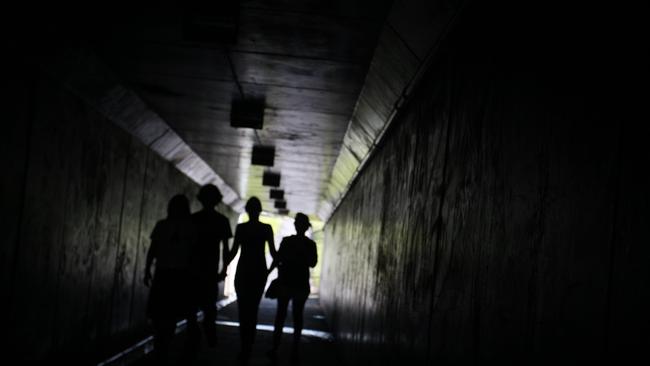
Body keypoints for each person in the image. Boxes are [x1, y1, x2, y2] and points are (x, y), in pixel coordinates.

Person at [144, 194, 196, 365]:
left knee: (159, 312)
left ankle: (160, 345)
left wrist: (147, 269)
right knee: (172, 313)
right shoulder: (190, 227)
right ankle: (164, 345)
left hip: (163, 273)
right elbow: (194, 254)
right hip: (180, 275)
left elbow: (153, 249)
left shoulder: (162, 225)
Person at [227, 197, 276, 362]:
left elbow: (233, 252)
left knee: (243, 310)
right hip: (259, 272)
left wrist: (221, 266)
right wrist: (270, 270)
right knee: (253, 309)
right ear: (260, 210)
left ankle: (244, 346)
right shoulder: (266, 229)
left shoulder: (241, 229)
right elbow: (274, 254)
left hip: (243, 271)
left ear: (247, 210)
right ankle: (249, 345)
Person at [186, 184, 232, 354]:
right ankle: (208, 329)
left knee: (191, 306)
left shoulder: (193, 219)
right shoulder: (222, 221)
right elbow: (226, 249)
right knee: (209, 305)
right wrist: (224, 270)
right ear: (217, 200)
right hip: (210, 270)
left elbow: (187, 246)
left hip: (193, 269)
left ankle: (194, 335)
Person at [267, 213, 317, 363]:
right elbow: (313, 263)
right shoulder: (310, 245)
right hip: (301, 284)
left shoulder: (287, 241)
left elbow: (277, 259)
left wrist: (267, 273)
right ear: (306, 227)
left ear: (296, 226)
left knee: (280, 315)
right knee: (298, 316)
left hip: (285, 282)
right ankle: (295, 350)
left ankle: (275, 347)